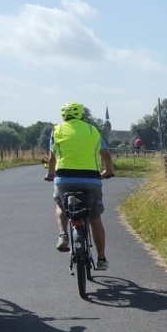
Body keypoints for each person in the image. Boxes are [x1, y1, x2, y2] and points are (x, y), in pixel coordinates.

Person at [44, 102, 114, 271]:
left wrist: (50, 174)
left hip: (64, 178)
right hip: (91, 179)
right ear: (81, 115)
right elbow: (106, 155)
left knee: (61, 204)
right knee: (94, 218)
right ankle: (102, 259)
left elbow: (52, 158)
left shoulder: (57, 130)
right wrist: (108, 171)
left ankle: (63, 235)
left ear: (63, 115)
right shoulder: (92, 130)